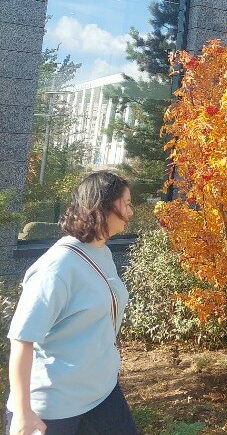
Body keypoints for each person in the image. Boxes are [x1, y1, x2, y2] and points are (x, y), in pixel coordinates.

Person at [6, 171, 136, 435]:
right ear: (103, 206)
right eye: (126, 204)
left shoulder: (101, 252)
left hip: (102, 393)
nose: (131, 212)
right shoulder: (57, 267)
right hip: (54, 408)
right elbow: (22, 339)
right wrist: (22, 411)